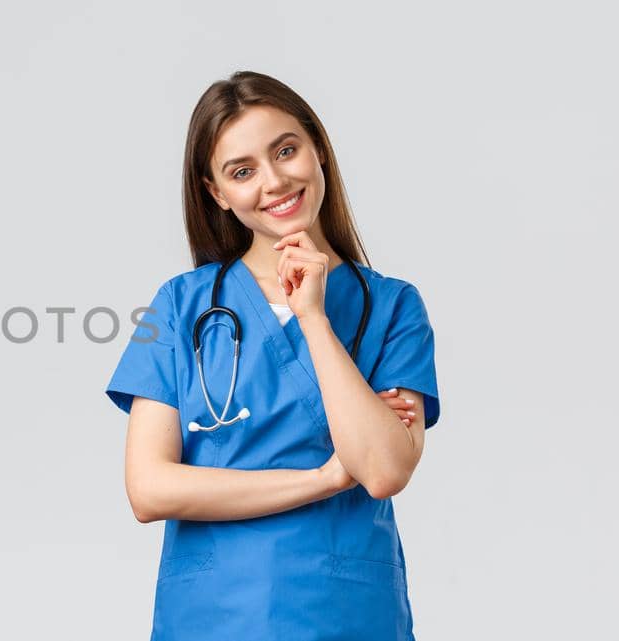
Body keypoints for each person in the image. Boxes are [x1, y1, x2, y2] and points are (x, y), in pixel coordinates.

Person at [105, 70, 442, 640]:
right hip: (214, 617)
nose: (275, 181)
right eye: (242, 171)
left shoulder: (392, 305)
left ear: (318, 151)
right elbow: (149, 488)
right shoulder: (179, 306)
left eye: (286, 150)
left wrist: (313, 316)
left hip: (345, 614)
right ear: (217, 193)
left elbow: (384, 470)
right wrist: (328, 477)